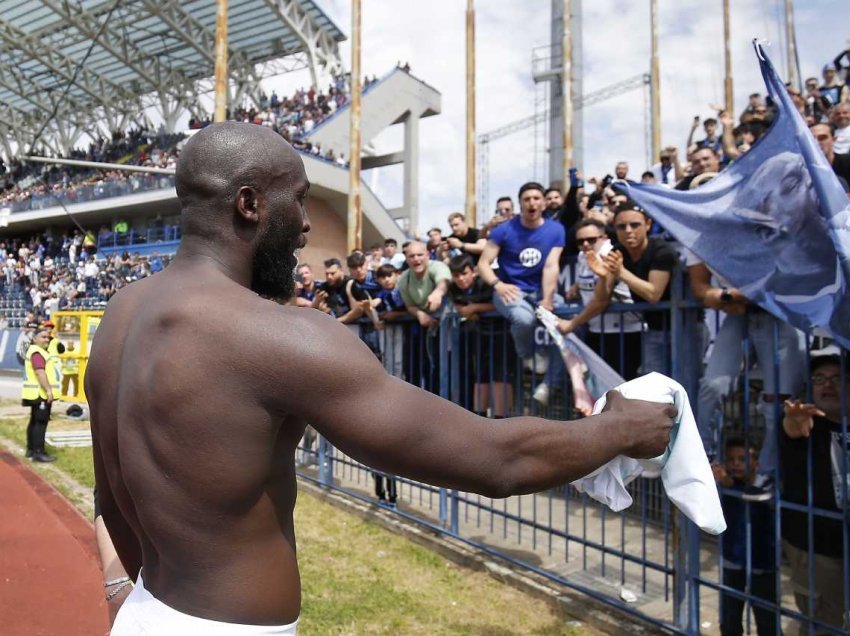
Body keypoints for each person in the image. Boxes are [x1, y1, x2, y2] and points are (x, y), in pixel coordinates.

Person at [87, 122, 676, 634]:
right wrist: (619, 430)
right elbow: (497, 460)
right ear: (249, 204)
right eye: (298, 201)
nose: (304, 228)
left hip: (145, 610)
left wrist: (124, 595)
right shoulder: (277, 336)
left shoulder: (121, 316)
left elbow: (110, 493)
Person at [780, 347, 849, 634]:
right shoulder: (806, 422)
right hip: (817, 546)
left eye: (836, 377)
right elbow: (793, 428)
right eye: (819, 378)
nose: (827, 385)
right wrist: (793, 422)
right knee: (824, 624)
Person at [478, 182, 566, 403]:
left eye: (536, 198)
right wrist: (497, 284)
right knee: (523, 319)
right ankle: (528, 357)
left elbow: (551, 266)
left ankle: (550, 383)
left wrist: (547, 298)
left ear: (544, 203)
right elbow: (483, 263)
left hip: (540, 290)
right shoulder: (503, 231)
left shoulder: (556, 230)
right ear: (520, 204)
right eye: (527, 199)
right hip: (510, 289)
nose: (532, 203)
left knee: (568, 318)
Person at [558, 219, 643, 380]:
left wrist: (573, 323)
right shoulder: (583, 257)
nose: (585, 245)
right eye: (580, 241)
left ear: (603, 238)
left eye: (591, 240)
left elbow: (601, 300)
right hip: (596, 330)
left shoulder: (610, 255)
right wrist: (577, 286)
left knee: (622, 389)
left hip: (624, 331)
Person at [711, 437, 778, 636]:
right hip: (733, 558)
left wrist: (728, 483)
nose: (736, 464)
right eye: (731, 459)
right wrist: (725, 482)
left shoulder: (766, 486)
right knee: (730, 618)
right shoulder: (725, 485)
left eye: (742, 459)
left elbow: (754, 496)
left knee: (767, 619)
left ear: (757, 463)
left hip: (762, 563)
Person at [448, 254, 514, 418]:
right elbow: (457, 306)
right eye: (456, 276)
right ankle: (480, 417)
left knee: (501, 376)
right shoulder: (453, 288)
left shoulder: (487, 283)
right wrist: (467, 311)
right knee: (480, 376)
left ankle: (502, 419)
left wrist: (476, 307)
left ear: (474, 272)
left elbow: (502, 303)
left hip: (501, 334)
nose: (461, 279)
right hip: (479, 335)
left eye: (464, 274)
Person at [22, 328, 56, 463]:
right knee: (40, 423)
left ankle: (31, 449)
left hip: (33, 393)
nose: (47, 339)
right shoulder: (37, 352)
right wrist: (48, 390)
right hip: (39, 393)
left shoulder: (36, 351)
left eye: (48, 337)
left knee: (34, 421)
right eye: (43, 337)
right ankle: (39, 452)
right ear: (34, 339)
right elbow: (40, 373)